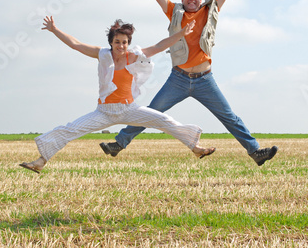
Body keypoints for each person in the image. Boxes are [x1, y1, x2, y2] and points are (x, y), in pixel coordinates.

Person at [100, 0, 278, 166]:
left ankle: (256, 152)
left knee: (229, 117)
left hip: (205, 80)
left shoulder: (210, 10)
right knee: (151, 113)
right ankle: (118, 144)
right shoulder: (173, 11)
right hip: (179, 79)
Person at [19, 16, 215, 174]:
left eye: (124, 42)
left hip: (129, 109)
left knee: (164, 120)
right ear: (111, 43)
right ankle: (41, 161)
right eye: (117, 42)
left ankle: (195, 147)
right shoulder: (102, 54)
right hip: (104, 112)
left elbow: (159, 46)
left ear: (128, 43)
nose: (120, 46)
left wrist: (181, 33)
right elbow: (76, 44)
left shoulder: (135, 56)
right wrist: (55, 30)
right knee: (71, 129)